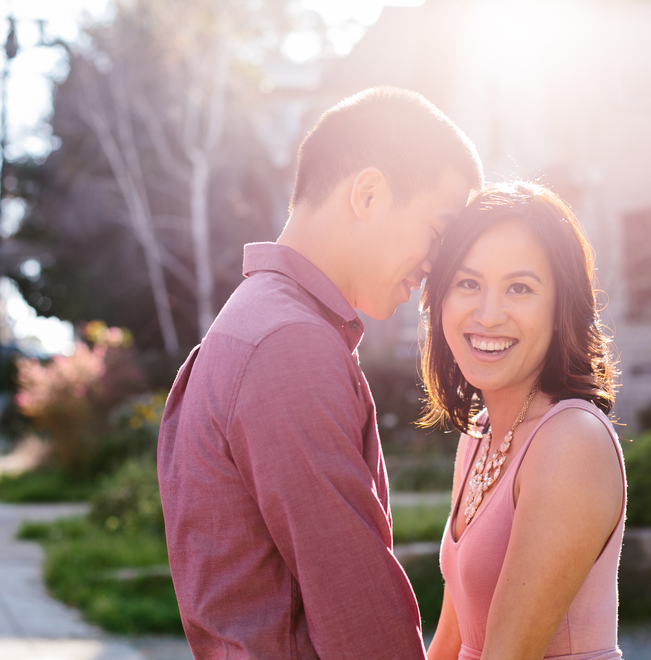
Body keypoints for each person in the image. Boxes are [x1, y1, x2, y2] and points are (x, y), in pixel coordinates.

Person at [157, 87, 483, 660]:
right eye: (439, 233)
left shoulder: (257, 324)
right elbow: (354, 602)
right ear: (369, 193)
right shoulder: (289, 345)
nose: (439, 267)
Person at [419, 182, 624, 660]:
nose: (488, 315)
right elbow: (453, 642)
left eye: (520, 288)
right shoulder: (480, 437)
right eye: (467, 283)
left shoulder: (572, 440)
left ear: (559, 310)